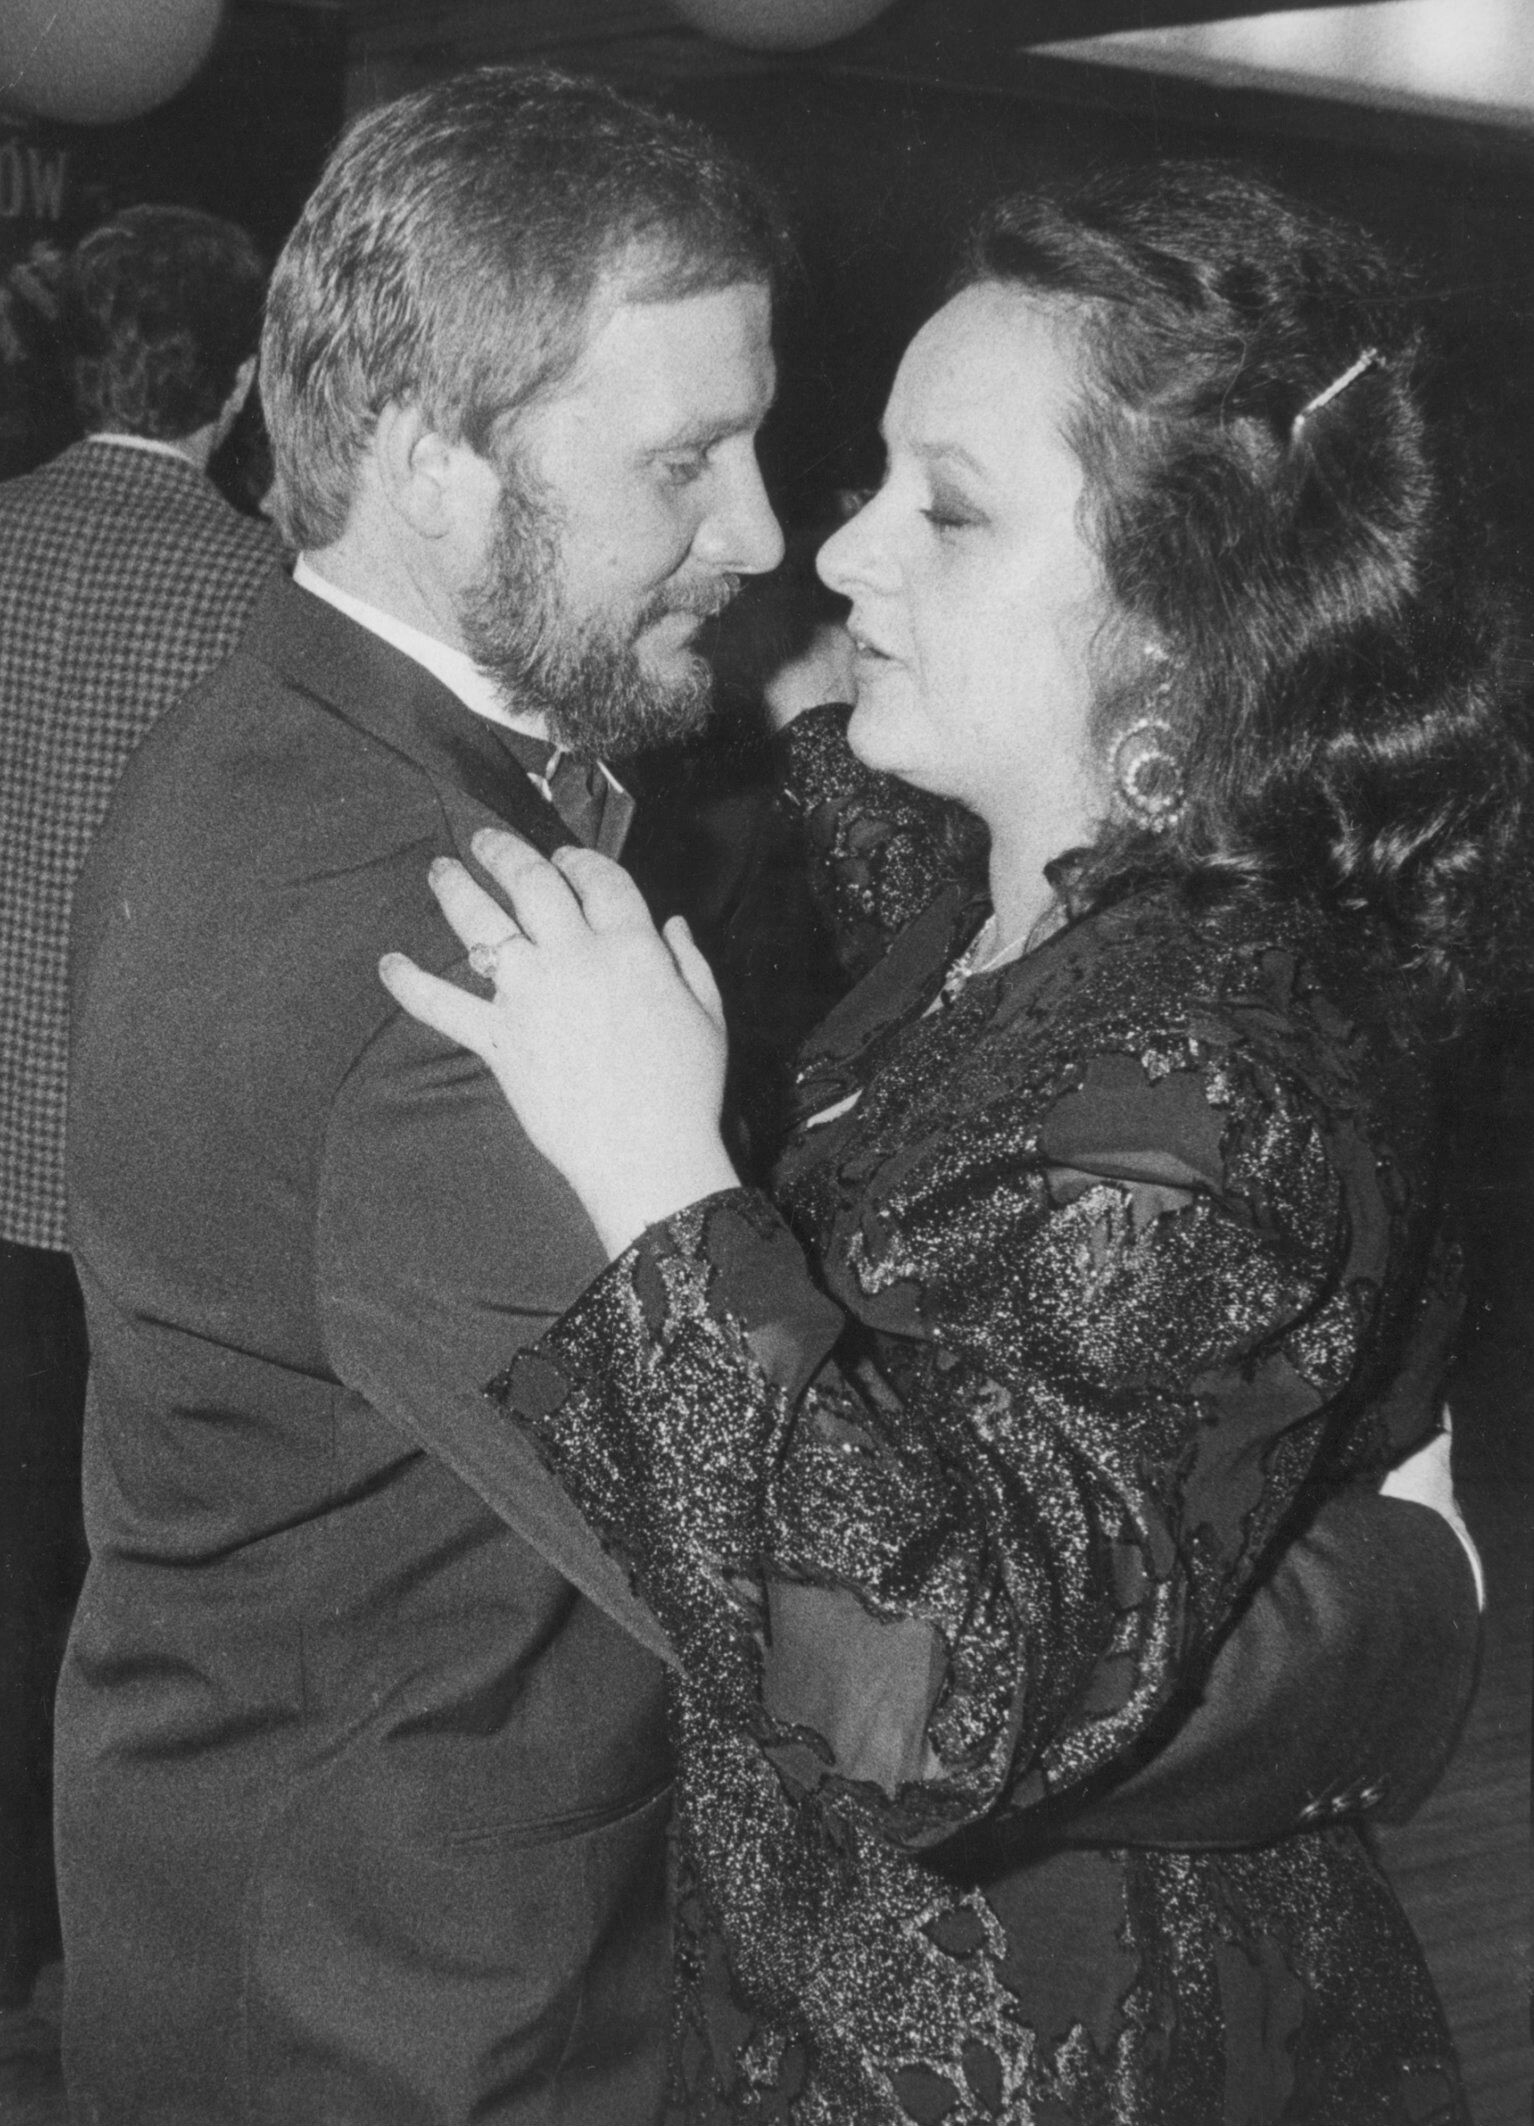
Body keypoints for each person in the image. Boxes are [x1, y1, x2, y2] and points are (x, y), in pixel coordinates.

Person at [382, 164, 1517, 2123]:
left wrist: (655, 1173)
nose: (841, 550)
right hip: (841, 1988)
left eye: (950, 509)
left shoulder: (1201, 1065)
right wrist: (804, 702)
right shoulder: (1027, 900)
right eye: (876, 480)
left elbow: (925, 1695)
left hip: (1036, 2046)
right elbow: (917, 939)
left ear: (1182, 620)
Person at [57, 70, 787, 2125]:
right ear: (429, 464)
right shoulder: (445, 941)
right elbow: (820, 1617)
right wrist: (1374, 1587)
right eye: (684, 460)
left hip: (263, 1889)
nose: (758, 532)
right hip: (405, 2006)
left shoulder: (282, 725)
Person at [0, 202, 278, 2008]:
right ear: (242, 381)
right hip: (122, 1181)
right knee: (99, 1589)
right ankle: (67, 1937)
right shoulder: (264, 598)